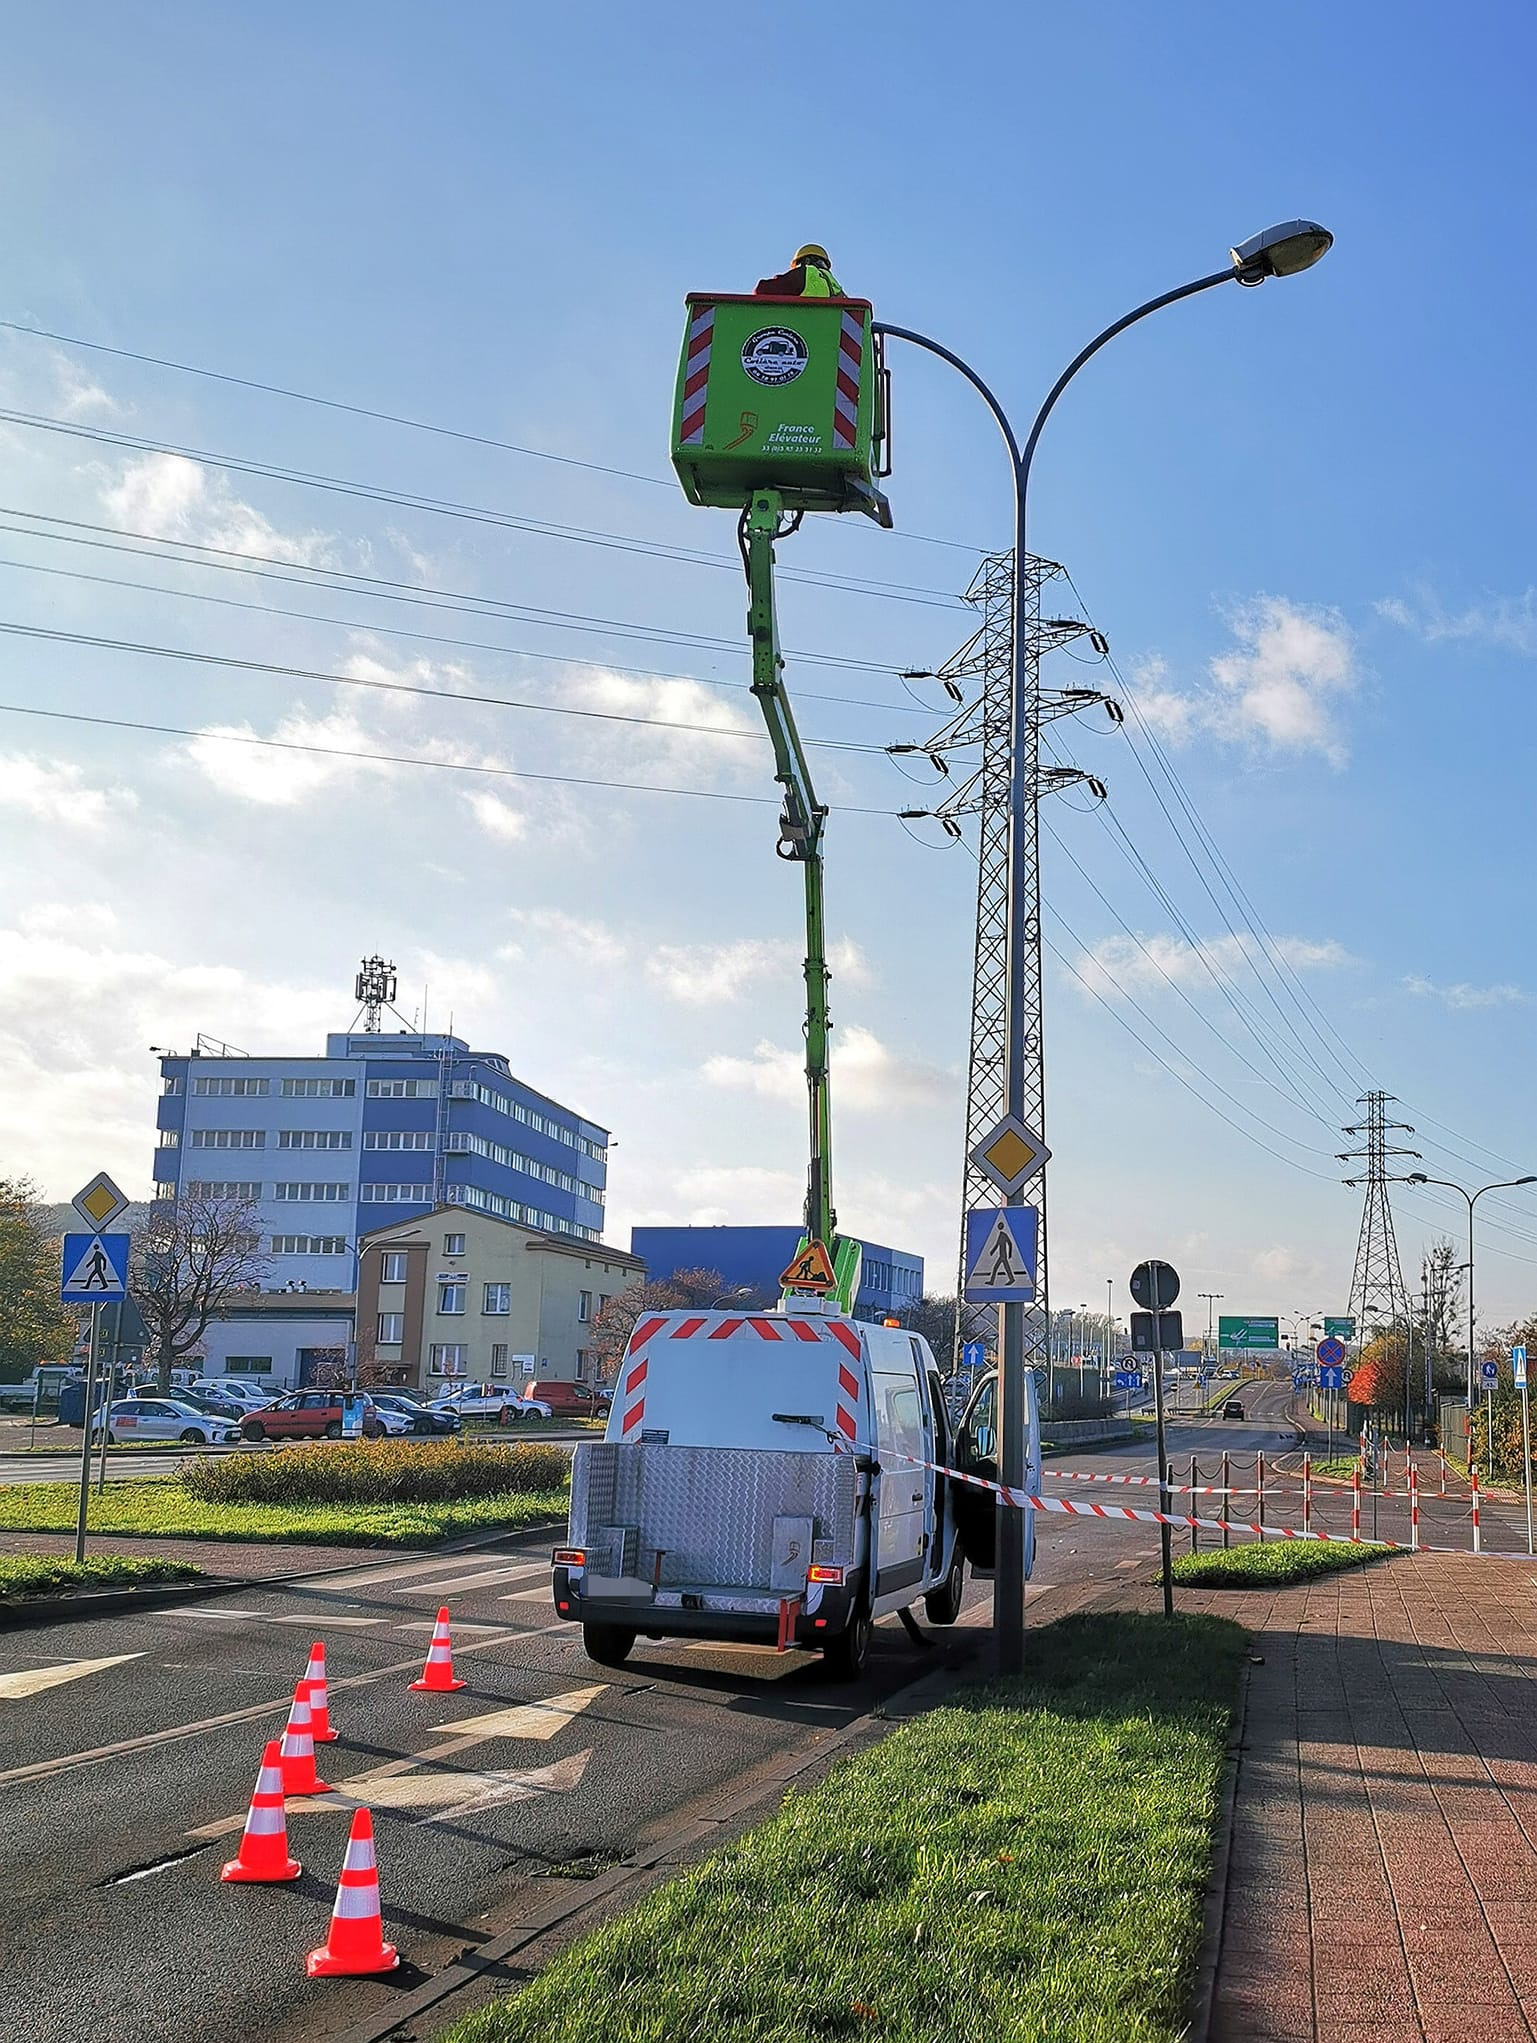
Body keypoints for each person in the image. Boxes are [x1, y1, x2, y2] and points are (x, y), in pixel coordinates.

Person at [755, 243, 844, 298]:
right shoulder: (836, 286)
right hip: (829, 326)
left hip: (803, 323)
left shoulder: (806, 272)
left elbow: (762, 289)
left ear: (806, 260)